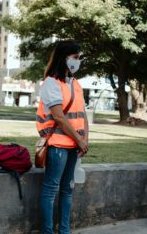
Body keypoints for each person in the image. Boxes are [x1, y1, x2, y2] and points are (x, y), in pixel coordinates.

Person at [35, 41, 89, 234]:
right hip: (58, 145)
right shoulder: (51, 83)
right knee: (51, 190)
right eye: (75, 57)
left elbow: (82, 115)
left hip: (74, 145)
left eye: (79, 57)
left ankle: (64, 230)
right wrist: (80, 140)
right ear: (63, 57)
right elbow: (59, 116)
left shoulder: (76, 84)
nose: (78, 61)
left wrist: (85, 140)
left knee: (68, 189)